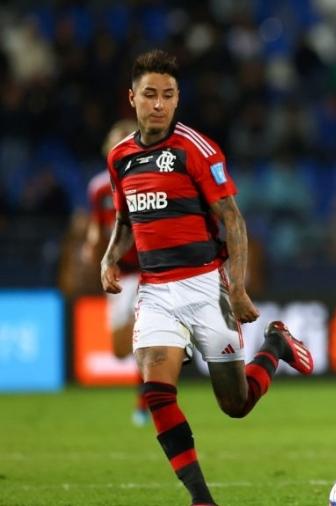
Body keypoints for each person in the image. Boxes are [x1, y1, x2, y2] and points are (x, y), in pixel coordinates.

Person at [100, 49, 314, 506]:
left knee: (235, 405)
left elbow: (233, 220)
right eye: (150, 95)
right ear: (132, 98)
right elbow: (124, 217)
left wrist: (236, 286)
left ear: (178, 100)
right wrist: (109, 258)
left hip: (205, 286)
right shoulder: (120, 158)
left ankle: (274, 346)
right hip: (155, 290)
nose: (159, 104)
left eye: (168, 96)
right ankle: (201, 499)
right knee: (157, 392)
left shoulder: (196, 149)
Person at [83, 118, 149, 426]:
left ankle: (144, 403)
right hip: (120, 273)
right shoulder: (98, 189)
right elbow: (98, 228)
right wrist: (95, 253)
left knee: (144, 335)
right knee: (120, 350)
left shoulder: (150, 180)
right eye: (117, 139)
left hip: (150, 271)